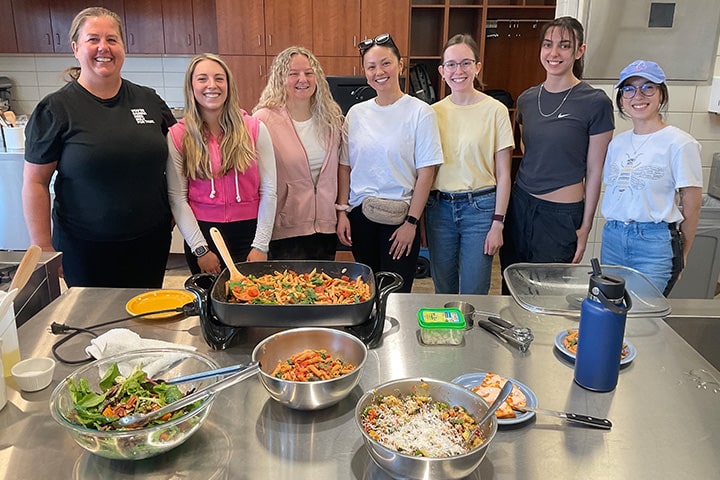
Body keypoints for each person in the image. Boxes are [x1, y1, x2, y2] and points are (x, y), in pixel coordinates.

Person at [22, 7, 176, 288]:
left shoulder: (149, 100)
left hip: (149, 242)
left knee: (146, 318)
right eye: (93, 39)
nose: (103, 48)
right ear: (75, 48)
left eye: (112, 39)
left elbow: (179, 156)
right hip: (84, 248)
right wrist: (43, 246)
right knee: (92, 324)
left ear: (123, 48)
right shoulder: (56, 109)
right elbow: (35, 183)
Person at [500, 16, 614, 290]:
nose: (554, 53)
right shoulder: (527, 99)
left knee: (547, 291)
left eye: (564, 46)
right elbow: (530, 152)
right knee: (511, 284)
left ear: (579, 51)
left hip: (560, 215)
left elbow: (595, 170)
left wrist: (585, 227)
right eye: (548, 45)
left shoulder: (595, 102)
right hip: (521, 204)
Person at [336, 33, 443, 293]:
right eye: (371, 67)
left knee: (395, 294)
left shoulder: (420, 112)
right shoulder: (356, 114)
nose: (379, 72)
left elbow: (426, 172)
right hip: (361, 216)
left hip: (401, 219)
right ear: (364, 72)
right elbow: (345, 166)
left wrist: (412, 223)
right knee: (365, 292)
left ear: (400, 65)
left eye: (386, 63)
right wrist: (342, 213)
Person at [166, 54, 277, 275]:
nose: (212, 85)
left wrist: (261, 245)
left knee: (252, 304)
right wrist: (200, 249)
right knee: (210, 303)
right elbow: (177, 198)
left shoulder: (255, 129)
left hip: (250, 234)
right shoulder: (178, 135)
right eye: (202, 79)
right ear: (191, 86)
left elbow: (269, 190)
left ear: (228, 85)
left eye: (219, 78)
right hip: (203, 235)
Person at [600, 60, 702, 296]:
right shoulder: (617, 144)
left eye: (648, 87)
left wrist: (683, 254)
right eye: (629, 89)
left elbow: (692, 205)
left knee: (645, 319)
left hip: (654, 244)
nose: (638, 95)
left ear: (661, 94)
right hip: (613, 239)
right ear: (622, 98)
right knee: (610, 312)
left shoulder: (680, 143)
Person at [426, 34, 514, 294]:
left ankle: (472, 335)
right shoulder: (432, 112)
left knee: (475, 288)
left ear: (478, 66)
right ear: (442, 71)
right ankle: (448, 336)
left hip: (481, 209)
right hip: (439, 209)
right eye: (451, 65)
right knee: (443, 288)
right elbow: (426, 170)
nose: (458, 71)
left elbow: (504, 173)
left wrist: (498, 222)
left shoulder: (495, 110)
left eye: (465, 63)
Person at [253, 46, 344, 260]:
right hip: (285, 230)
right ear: (280, 78)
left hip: (326, 228)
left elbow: (340, 169)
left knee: (324, 291)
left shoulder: (331, 118)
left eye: (308, 73)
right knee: (287, 292)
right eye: (293, 74)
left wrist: (341, 211)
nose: (302, 79)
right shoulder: (263, 119)